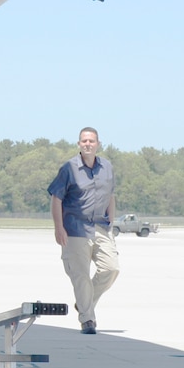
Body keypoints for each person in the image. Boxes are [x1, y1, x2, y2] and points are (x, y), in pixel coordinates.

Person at [49, 127, 119, 334]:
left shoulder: (107, 167)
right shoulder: (69, 168)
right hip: (75, 227)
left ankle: (84, 301)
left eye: (91, 141)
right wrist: (58, 227)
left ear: (98, 144)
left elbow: (111, 196)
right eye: (84, 141)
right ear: (79, 144)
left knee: (111, 268)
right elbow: (56, 198)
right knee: (80, 276)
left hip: (100, 226)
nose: (88, 144)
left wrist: (111, 224)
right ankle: (87, 319)